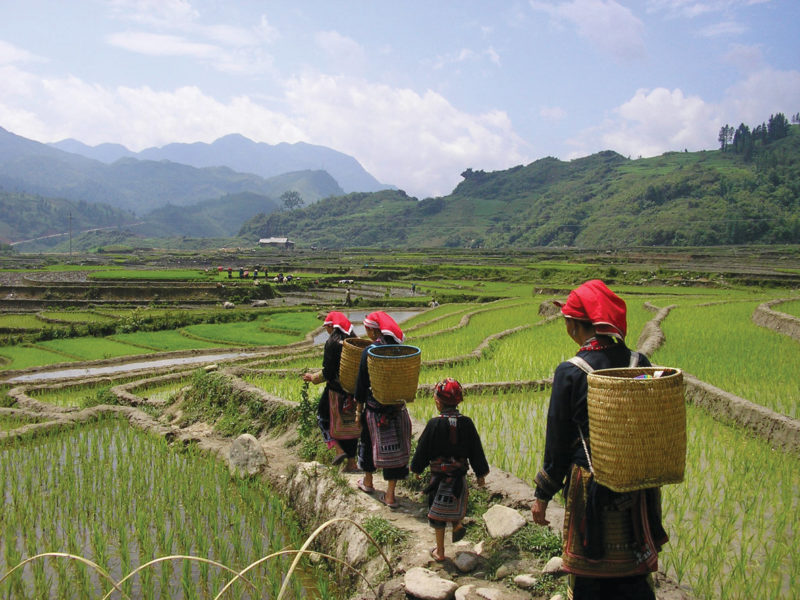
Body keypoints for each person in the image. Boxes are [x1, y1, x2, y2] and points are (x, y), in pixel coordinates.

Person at [530, 280, 668, 600]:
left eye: (567, 318)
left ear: (575, 325)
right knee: (634, 575)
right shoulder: (640, 364)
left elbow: (558, 441)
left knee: (590, 580)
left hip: (590, 484)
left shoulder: (571, 371)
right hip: (636, 483)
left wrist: (543, 493)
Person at [411, 378, 490, 562]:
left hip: (438, 478)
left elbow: (423, 448)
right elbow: (476, 450)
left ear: (438, 402)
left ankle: (440, 551)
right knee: (456, 503)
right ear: (459, 401)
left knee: (437, 515)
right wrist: (480, 474)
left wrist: (417, 468)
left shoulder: (434, 424)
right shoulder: (467, 423)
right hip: (458, 477)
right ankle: (456, 525)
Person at [354, 311, 411, 508]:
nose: (367, 332)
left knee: (368, 442)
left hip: (375, 408)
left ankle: (368, 481)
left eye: (368, 329)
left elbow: (361, 384)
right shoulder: (400, 351)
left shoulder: (370, 351)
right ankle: (390, 495)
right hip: (396, 407)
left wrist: (358, 409)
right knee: (395, 448)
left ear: (374, 330)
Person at [302, 311, 359, 470]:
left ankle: (338, 449)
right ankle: (352, 463)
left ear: (331, 326)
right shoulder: (354, 341)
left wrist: (313, 378)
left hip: (335, 391)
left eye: (326, 327)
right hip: (352, 393)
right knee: (350, 426)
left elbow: (328, 372)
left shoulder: (332, 343)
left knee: (323, 417)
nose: (326, 330)